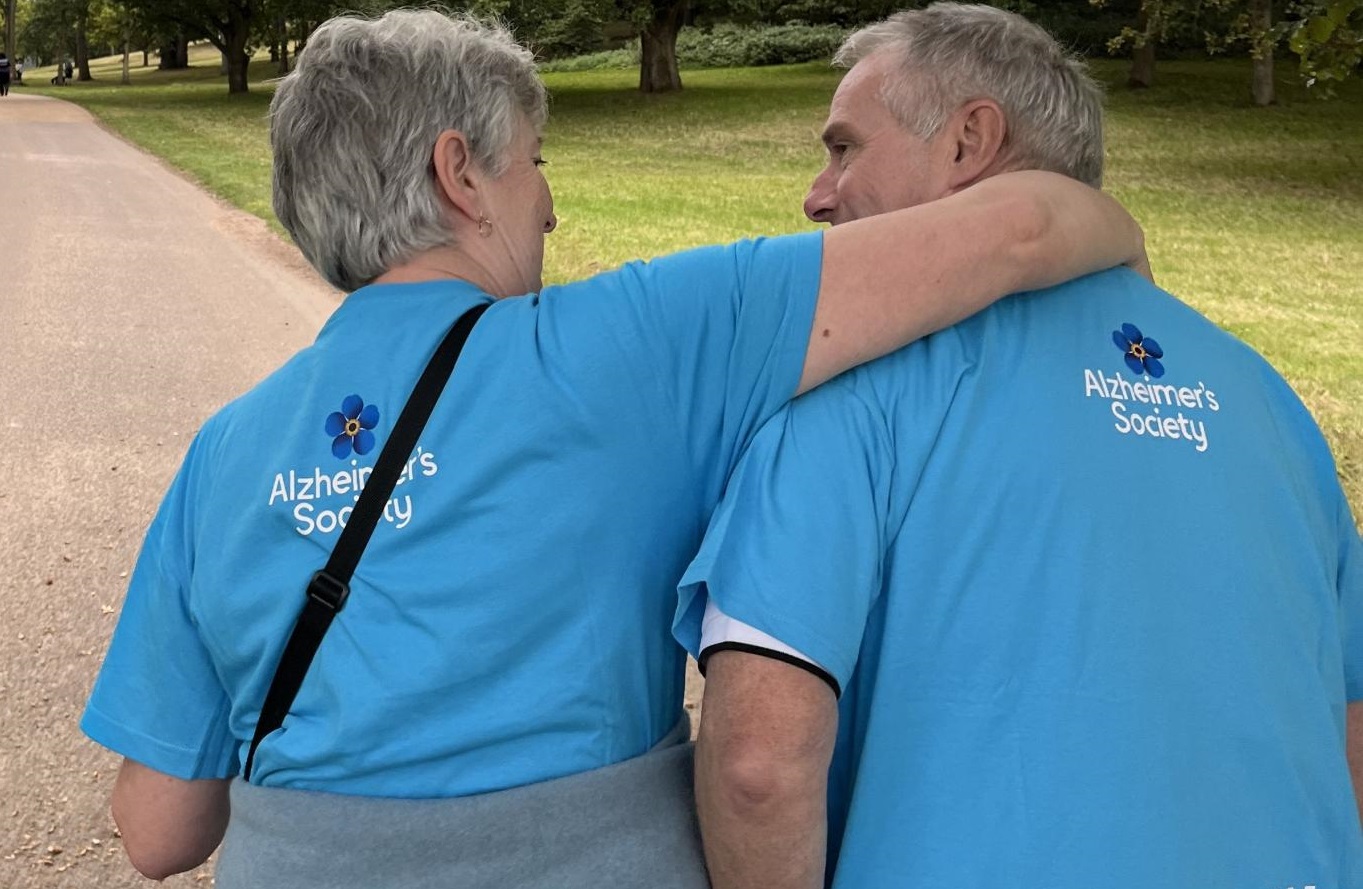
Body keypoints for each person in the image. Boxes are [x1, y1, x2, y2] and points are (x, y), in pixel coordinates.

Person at [79, 9, 1145, 887]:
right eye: (532, 162)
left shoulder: (222, 454)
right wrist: (1127, 245)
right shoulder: (629, 346)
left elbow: (159, 832)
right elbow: (1020, 231)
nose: (547, 203)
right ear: (460, 175)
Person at [676, 5, 1363, 888]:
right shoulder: (1266, 397)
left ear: (969, 142)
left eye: (843, 147)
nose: (817, 193)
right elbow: (1346, 725)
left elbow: (757, 769)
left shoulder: (850, 393)